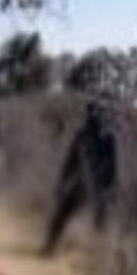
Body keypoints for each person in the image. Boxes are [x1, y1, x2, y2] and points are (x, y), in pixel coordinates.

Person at [43, 98, 118, 255]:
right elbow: (71, 161)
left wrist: (108, 189)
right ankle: (51, 246)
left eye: (97, 113)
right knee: (63, 213)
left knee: (99, 222)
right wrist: (63, 182)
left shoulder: (106, 138)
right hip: (85, 184)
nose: (94, 117)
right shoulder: (84, 136)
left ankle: (99, 253)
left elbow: (111, 166)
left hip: (97, 186)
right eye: (93, 113)